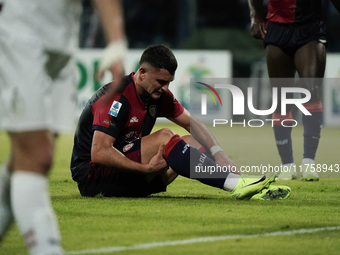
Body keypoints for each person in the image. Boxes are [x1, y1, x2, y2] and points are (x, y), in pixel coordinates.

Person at [70, 44, 291, 202]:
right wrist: (145, 168)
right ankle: (236, 185)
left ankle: (246, 186)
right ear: (142, 72)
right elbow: (99, 153)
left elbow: (193, 123)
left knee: (193, 142)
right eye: (161, 82)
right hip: (93, 177)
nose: (166, 88)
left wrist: (218, 153)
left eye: (169, 83)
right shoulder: (116, 97)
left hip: (130, 175)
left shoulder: (157, 94)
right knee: (166, 136)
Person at [0, 0, 127, 254]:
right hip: (20, 29)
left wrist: (116, 41)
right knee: (38, 156)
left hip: (63, 38)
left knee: (24, 160)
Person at [248, 0, 340, 180]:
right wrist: (255, 17)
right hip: (276, 28)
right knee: (282, 99)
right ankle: (287, 165)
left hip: (310, 29)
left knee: (311, 89)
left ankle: (309, 162)